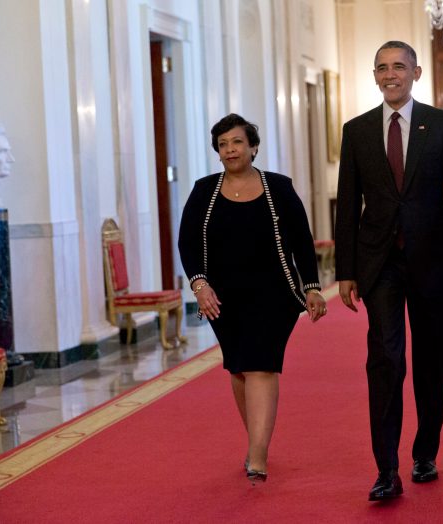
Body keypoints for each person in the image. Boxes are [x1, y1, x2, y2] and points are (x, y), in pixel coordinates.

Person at [335, 41, 443, 501]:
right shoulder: (356, 131)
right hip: (379, 264)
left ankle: (425, 452)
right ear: (374, 76)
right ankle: (386, 470)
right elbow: (347, 206)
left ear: (416, 73)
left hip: (434, 260)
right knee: (385, 361)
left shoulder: (441, 124)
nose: (390, 74)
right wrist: (345, 269)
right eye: (381, 68)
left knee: (431, 360)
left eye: (399, 66)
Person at [178, 113, 327, 484]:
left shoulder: (279, 187)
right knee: (240, 368)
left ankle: (257, 455)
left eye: (237, 142)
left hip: (274, 292)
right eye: (223, 144)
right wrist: (200, 285)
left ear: (253, 147)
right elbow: (188, 243)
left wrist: (311, 285)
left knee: (262, 365)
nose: (230, 149)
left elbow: (301, 240)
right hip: (223, 298)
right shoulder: (203, 190)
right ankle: (256, 441)